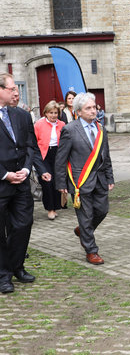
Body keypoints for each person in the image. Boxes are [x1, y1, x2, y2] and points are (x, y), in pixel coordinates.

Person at [0, 73, 51, 293]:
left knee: (23, 225)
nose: (16, 92)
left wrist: (27, 169)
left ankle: (16, 266)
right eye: (11, 89)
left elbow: (31, 146)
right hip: (2, 182)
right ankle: (4, 276)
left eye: (16, 89)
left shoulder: (21, 115)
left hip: (21, 183)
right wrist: (5, 174)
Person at [55, 92, 114, 265]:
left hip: (101, 179)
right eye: (88, 108)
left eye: (94, 107)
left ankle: (83, 230)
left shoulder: (101, 129)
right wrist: (61, 183)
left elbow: (106, 156)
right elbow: (61, 159)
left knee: (102, 211)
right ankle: (91, 251)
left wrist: (110, 177)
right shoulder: (69, 130)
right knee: (86, 216)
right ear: (78, 112)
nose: (93, 111)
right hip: (80, 181)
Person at [34, 101, 66, 220]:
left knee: (57, 182)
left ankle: (56, 206)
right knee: (47, 182)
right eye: (50, 113)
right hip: (44, 155)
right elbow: (34, 142)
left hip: (57, 154)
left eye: (55, 113)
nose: (53, 115)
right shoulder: (39, 124)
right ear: (46, 113)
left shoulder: (62, 124)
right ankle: (50, 209)